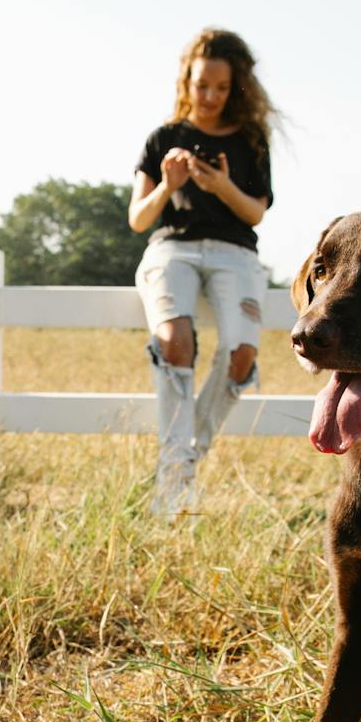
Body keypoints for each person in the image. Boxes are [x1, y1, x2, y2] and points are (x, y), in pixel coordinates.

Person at [128, 28, 277, 516]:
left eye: (220, 87)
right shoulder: (163, 139)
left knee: (240, 353)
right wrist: (168, 185)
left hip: (236, 252)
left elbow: (255, 212)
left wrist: (220, 184)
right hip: (173, 247)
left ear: (235, 86)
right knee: (175, 339)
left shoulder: (250, 140)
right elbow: (138, 218)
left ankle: (184, 461)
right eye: (201, 85)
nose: (210, 96)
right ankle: (173, 473)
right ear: (186, 80)